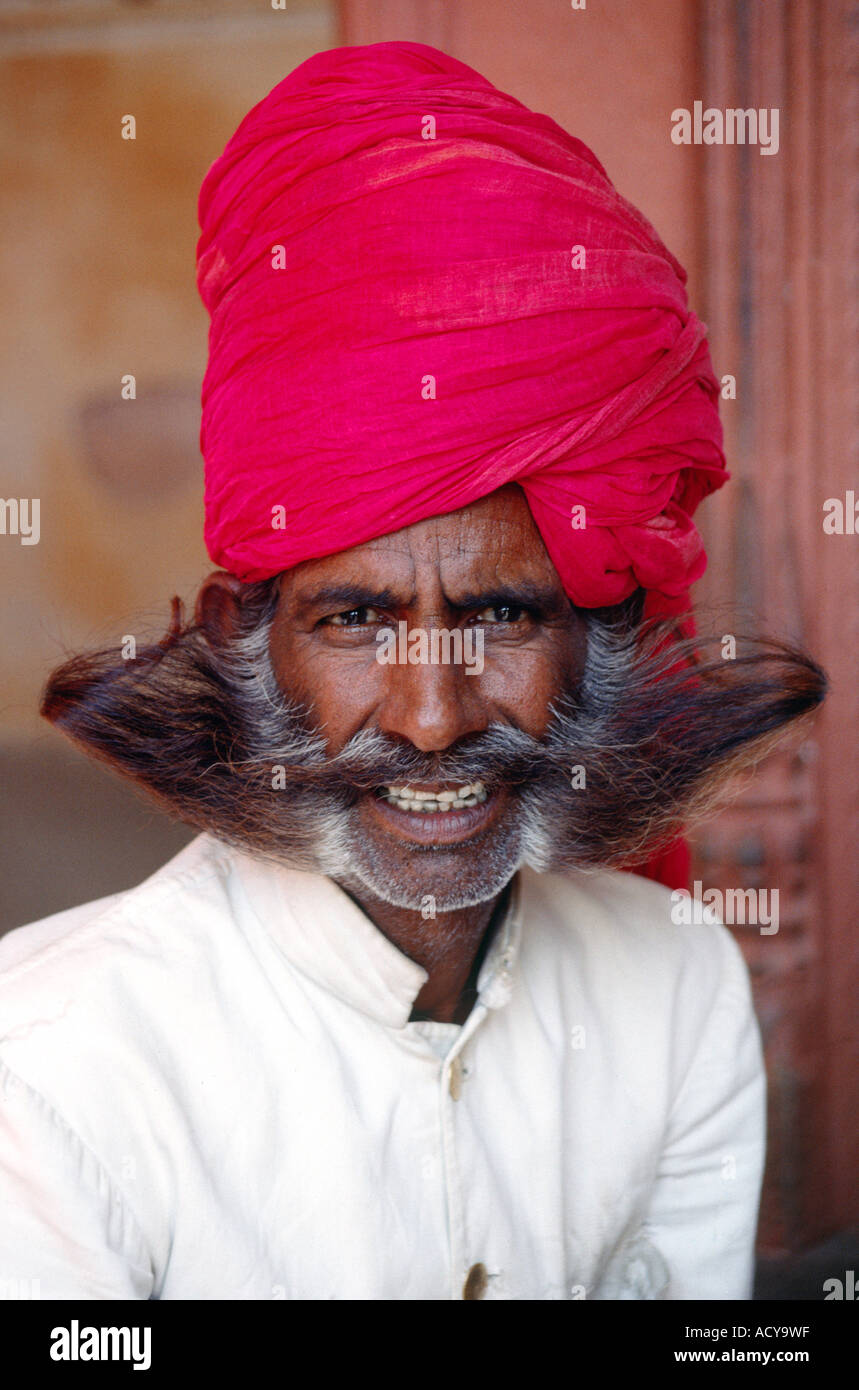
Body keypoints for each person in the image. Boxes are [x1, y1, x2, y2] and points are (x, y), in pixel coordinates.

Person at [0, 42, 824, 1300]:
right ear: (243, 635)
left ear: (595, 630)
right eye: (355, 622)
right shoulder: (52, 1065)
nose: (433, 718)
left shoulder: (677, 984)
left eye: (498, 613)